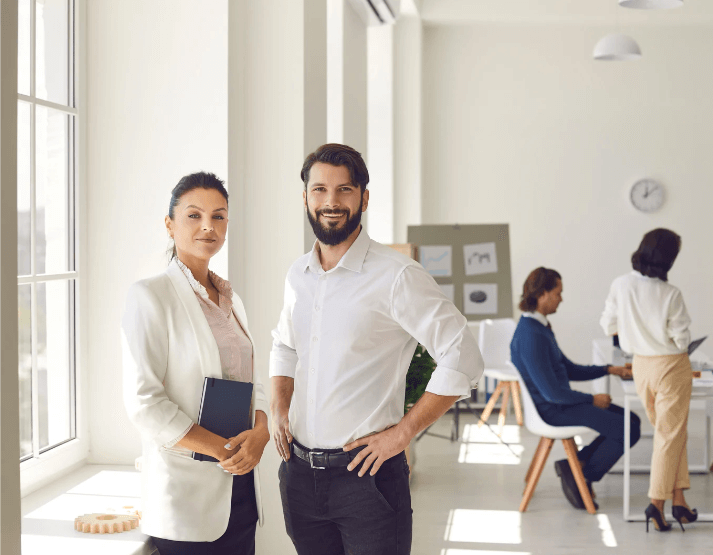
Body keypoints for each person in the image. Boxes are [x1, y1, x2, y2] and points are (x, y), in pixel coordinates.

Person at [270, 143, 484, 555]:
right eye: (319, 190)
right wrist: (280, 407)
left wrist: (404, 432)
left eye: (344, 190)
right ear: (305, 198)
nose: (331, 202)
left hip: (366, 479)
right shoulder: (299, 274)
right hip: (298, 477)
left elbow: (462, 353)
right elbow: (284, 345)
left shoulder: (397, 275)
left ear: (364, 198)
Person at [122, 172, 269, 554]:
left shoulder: (231, 301)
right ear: (169, 224)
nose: (208, 226)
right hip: (186, 497)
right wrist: (222, 449)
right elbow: (145, 404)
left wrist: (262, 431)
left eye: (219, 216)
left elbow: (254, 383)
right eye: (194, 215)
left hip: (241, 491)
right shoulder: (150, 296)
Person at [510, 267, 641, 511]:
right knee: (627, 429)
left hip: (561, 402)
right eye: (558, 293)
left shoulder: (540, 327)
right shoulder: (531, 335)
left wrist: (609, 370)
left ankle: (578, 464)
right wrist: (592, 399)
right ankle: (583, 475)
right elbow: (551, 393)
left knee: (631, 420)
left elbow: (567, 369)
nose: (561, 298)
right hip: (553, 410)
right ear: (542, 294)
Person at [600, 228, 697, 532]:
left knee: (671, 435)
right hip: (671, 366)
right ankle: (656, 504)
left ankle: (679, 502)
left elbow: (608, 325)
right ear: (669, 259)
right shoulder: (671, 294)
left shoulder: (621, 284)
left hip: (640, 366)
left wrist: (636, 333)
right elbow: (682, 340)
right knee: (669, 436)